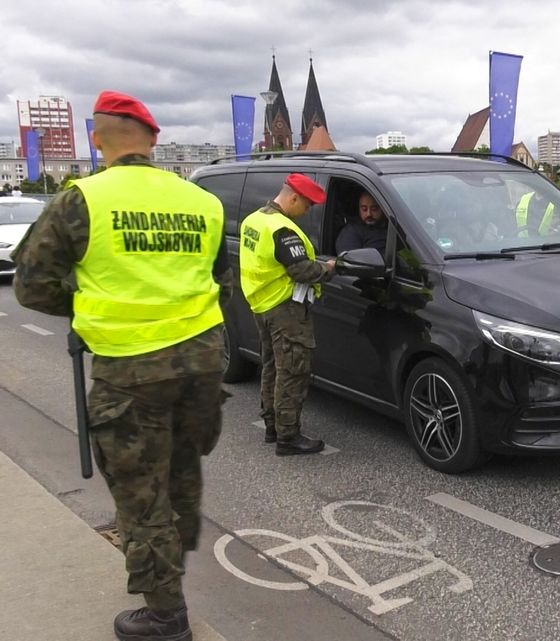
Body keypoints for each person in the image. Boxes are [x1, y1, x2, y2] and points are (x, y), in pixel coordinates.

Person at [13, 90, 230, 641]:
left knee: (140, 492)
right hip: (202, 366)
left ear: (96, 138)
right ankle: (170, 569)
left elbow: (33, 288)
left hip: (131, 372)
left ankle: (165, 613)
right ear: (155, 141)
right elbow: (215, 276)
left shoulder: (80, 200)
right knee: (182, 474)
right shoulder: (201, 200)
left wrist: (86, 305)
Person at [240, 173, 336, 455]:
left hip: (262, 306)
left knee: (271, 367)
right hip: (286, 310)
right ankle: (288, 436)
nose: (306, 212)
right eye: (306, 206)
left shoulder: (253, 220)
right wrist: (328, 268)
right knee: (293, 371)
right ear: (293, 197)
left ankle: (272, 425)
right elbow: (302, 270)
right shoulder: (281, 229)